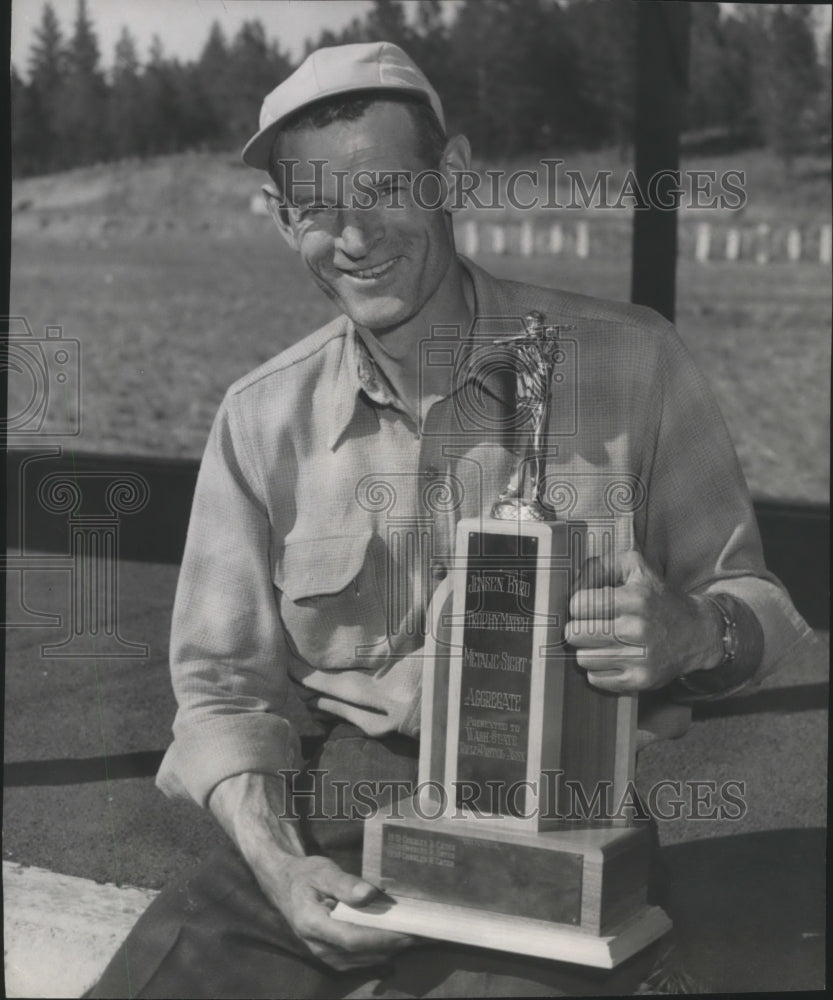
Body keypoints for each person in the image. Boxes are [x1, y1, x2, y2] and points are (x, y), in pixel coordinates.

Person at [90, 41, 813, 999]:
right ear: (280, 220)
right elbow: (224, 691)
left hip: (557, 816)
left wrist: (691, 632)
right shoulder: (260, 418)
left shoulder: (632, 363)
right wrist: (278, 862)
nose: (353, 237)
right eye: (313, 206)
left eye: (385, 188)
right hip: (334, 810)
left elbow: (754, 604)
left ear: (453, 175)